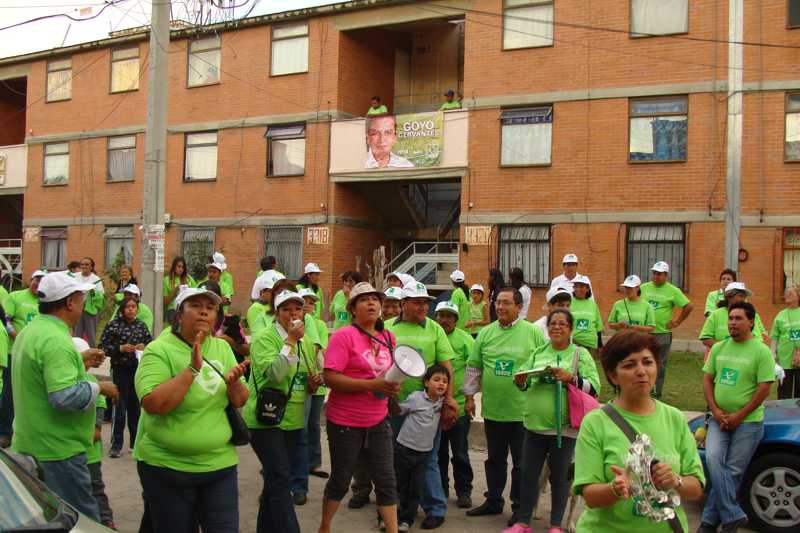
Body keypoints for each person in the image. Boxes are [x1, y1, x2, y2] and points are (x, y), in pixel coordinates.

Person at [134, 286, 249, 532]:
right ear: (179, 314)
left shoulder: (222, 348)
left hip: (219, 465)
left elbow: (240, 400)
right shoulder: (159, 349)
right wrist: (191, 370)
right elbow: (154, 404)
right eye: (195, 306)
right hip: (168, 468)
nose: (204, 312)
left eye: (210, 308)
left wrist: (234, 383)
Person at [572, 330, 705, 532]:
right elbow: (590, 496)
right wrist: (614, 489)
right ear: (613, 376)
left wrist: (675, 480)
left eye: (648, 362)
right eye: (629, 365)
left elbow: (695, 488)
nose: (641, 371)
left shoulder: (675, 418)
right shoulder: (595, 423)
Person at [11, 271, 118, 520]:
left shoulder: (31, 331)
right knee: (80, 521)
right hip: (58, 451)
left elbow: (43, 374)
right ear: (70, 302)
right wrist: (99, 387)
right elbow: (64, 396)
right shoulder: (56, 340)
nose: (84, 303)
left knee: (46, 520)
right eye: (81, 297)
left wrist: (79, 360)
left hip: (31, 443)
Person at [508, 309, 601, 533]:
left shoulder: (580, 354)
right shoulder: (538, 352)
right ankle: (523, 522)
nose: (557, 327)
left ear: (570, 328)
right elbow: (524, 381)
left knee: (560, 479)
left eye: (562, 324)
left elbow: (595, 388)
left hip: (564, 429)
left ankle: (556, 525)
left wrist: (571, 378)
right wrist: (520, 381)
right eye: (553, 324)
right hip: (535, 426)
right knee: (528, 475)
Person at [318, 282, 400, 533]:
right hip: (345, 422)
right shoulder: (344, 336)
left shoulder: (388, 337)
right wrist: (372, 384)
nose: (372, 303)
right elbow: (330, 377)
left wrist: (393, 384)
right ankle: (325, 527)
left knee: (386, 482)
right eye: (364, 300)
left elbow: (389, 373)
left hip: (379, 420)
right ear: (353, 309)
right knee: (341, 481)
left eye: (375, 299)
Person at [463, 286, 546, 526]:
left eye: (506, 303)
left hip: (523, 413)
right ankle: (493, 500)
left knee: (522, 464)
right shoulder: (486, 333)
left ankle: (520, 507)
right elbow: (474, 367)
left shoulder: (533, 333)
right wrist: (469, 397)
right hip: (493, 411)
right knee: (494, 460)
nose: (500, 307)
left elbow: (543, 364)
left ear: (519, 307)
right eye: (498, 302)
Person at [385, 281, 460, 529]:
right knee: (394, 459)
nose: (423, 307)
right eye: (417, 302)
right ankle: (395, 507)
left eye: (426, 303)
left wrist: (448, 400)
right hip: (394, 406)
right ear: (403, 303)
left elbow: (447, 367)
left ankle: (435, 508)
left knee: (428, 459)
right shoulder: (387, 327)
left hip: (428, 409)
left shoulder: (434, 329)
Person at [244, 289, 319, 533]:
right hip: (265, 418)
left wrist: (314, 381)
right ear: (276, 313)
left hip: (292, 419)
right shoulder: (265, 338)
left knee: (275, 480)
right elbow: (275, 374)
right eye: (286, 309)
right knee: (280, 476)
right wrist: (289, 342)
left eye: (298, 308)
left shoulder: (306, 341)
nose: (293, 314)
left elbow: (307, 377)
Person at [699, 302, 774, 533]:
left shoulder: (761, 351)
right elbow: (707, 379)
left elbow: (764, 387)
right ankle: (732, 515)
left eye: (738, 318)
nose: (732, 322)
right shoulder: (719, 347)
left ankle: (708, 523)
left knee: (732, 470)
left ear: (751, 322)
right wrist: (716, 410)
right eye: (730, 318)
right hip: (718, 419)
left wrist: (740, 415)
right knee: (713, 460)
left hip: (748, 422)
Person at [394, 364, 449, 531]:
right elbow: (399, 411)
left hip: (423, 455)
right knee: (400, 485)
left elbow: (451, 415)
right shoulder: (416, 397)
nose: (441, 383)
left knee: (415, 489)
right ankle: (388, 516)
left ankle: (406, 520)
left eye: (445, 381)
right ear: (426, 382)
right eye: (436, 379)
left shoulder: (443, 404)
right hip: (403, 450)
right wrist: (392, 396)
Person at [99, 298, 152, 458]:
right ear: (122, 309)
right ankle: (116, 445)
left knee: (135, 408)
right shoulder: (113, 325)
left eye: (134, 307)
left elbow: (151, 344)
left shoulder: (141, 326)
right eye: (128, 307)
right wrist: (120, 348)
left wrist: (144, 347)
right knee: (119, 407)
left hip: (136, 371)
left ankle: (135, 443)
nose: (131, 309)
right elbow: (103, 347)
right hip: (120, 370)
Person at [434, 302, 475, 509]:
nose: (445, 320)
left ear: (456, 320)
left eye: (449, 316)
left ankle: (464, 491)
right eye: (441, 315)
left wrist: (469, 399)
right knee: (438, 453)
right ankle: (441, 490)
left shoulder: (466, 339)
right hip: (434, 408)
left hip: (458, 407)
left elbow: (473, 371)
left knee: (460, 453)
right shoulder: (433, 337)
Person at [74, 336, 116, 530]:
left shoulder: (94, 383)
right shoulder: (62, 382)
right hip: (73, 452)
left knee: (95, 490)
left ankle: (107, 522)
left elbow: (97, 432)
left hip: (89, 455)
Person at [0, 269, 45, 447]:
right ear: (30, 279)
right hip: (14, 353)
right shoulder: (16, 297)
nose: (38, 284)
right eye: (36, 280)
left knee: (31, 395)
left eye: (42, 282)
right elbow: (6, 320)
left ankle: (27, 433)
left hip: (35, 356)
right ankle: (5, 432)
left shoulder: (45, 302)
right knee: (9, 394)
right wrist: (19, 339)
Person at [639, 261, 693, 398]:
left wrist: (677, 322)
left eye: (659, 274)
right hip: (644, 332)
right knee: (642, 361)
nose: (656, 276)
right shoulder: (643, 287)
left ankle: (656, 392)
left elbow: (688, 306)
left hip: (662, 333)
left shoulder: (673, 290)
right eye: (654, 273)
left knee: (659, 364)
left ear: (666, 275)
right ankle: (643, 389)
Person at [298, 288, 329, 480]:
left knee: (314, 424)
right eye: (305, 301)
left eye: (311, 302)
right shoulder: (298, 322)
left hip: (317, 379)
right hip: (301, 382)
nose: (308, 305)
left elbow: (319, 348)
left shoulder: (319, 324)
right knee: (300, 425)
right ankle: (300, 463)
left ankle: (314, 462)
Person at [700, 282, 769, 350]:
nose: (744, 299)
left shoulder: (753, 314)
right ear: (729, 296)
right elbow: (706, 338)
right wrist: (726, 349)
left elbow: (762, 336)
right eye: (741, 296)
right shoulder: (716, 315)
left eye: (745, 297)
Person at [770, 285, 800, 399]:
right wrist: (772, 355)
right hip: (784, 360)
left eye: (790, 292)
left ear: (798, 296)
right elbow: (774, 337)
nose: (786, 294)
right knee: (784, 392)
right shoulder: (780, 315)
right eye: (786, 292)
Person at [74, 257, 106, 348]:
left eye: (87, 264)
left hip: (90, 309)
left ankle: (92, 352)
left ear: (91, 267)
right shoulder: (75, 276)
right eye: (82, 264)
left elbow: (100, 296)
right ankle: (77, 351)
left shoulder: (95, 279)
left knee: (91, 334)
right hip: (77, 307)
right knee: (77, 333)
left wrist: (92, 291)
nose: (84, 266)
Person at [569, 275, 604, 357]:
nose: (578, 289)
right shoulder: (569, 303)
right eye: (576, 286)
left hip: (591, 344)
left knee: (590, 365)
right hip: (574, 343)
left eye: (581, 286)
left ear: (587, 289)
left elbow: (598, 327)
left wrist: (600, 346)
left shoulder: (593, 305)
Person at [163, 256, 196, 322]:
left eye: (183, 267)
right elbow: (165, 301)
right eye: (179, 266)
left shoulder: (189, 279)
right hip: (173, 309)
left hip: (188, 308)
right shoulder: (166, 280)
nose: (181, 269)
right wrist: (175, 290)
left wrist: (187, 290)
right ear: (174, 266)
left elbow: (196, 294)